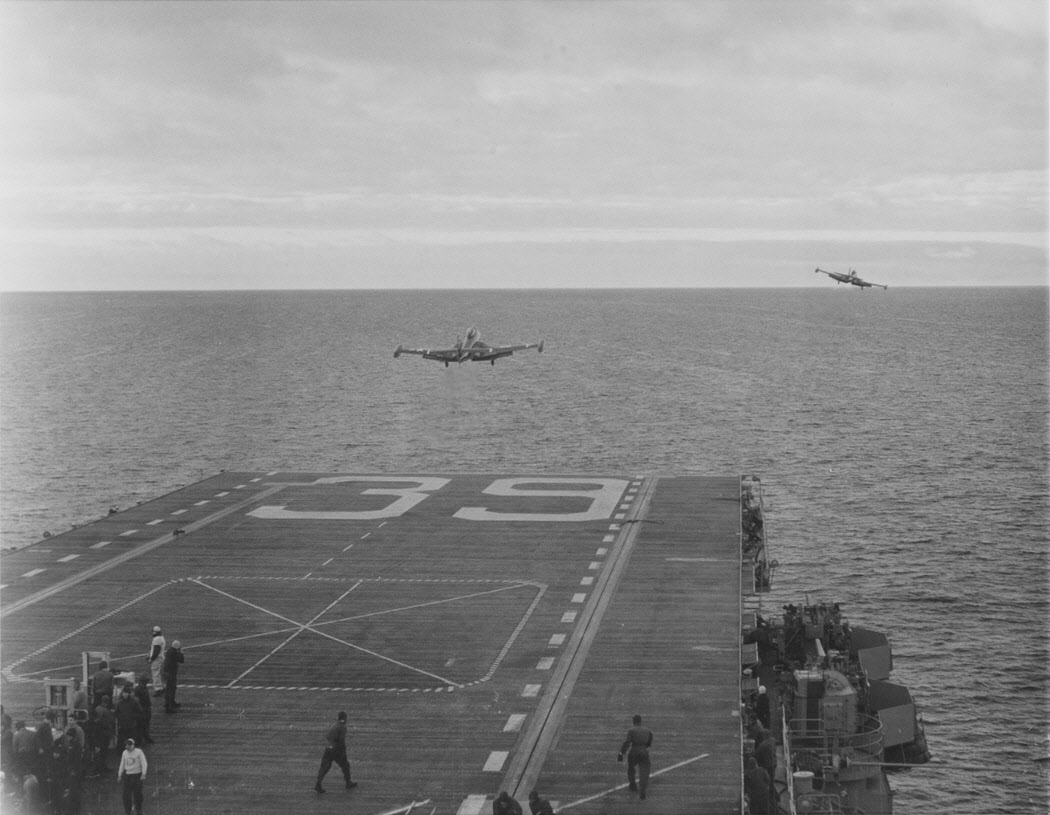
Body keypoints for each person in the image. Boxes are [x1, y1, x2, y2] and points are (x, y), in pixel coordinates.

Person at [314, 711, 356, 793]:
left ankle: (318, 784)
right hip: (337, 750)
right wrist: (343, 751)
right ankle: (348, 782)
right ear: (344, 719)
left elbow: (327, 736)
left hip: (329, 748)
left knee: (325, 767)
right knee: (345, 765)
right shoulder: (342, 727)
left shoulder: (334, 725)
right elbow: (341, 741)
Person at [618, 714, 653, 800]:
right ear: (640, 721)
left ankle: (633, 784)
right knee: (644, 772)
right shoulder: (648, 730)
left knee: (631, 768)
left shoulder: (631, 730)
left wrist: (621, 753)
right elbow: (649, 741)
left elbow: (627, 742)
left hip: (634, 750)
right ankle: (642, 790)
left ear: (633, 721)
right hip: (644, 751)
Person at [117, 738, 148, 815]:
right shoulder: (124, 753)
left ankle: (138, 809)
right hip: (128, 776)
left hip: (137, 776)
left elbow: (144, 763)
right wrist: (119, 775)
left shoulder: (139, 752)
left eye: (129, 745)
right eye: (126, 745)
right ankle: (128, 811)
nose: (127, 746)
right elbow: (122, 764)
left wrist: (143, 774)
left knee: (138, 795)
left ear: (133, 745)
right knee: (126, 795)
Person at [162, 640, 184, 714]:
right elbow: (181, 660)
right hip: (171, 673)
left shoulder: (169, 651)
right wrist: (181, 653)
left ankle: (170, 703)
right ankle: (169, 707)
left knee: (170, 689)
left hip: (168, 672)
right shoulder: (174, 652)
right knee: (170, 689)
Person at [133, 675, 154, 744]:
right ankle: (139, 740)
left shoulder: (144, 688)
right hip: (143, 709)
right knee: (141, 725)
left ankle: (146, 737)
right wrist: (140, 709)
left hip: (147, 708)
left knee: (146, 724)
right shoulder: (138, 689)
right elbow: (137, 700)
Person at [147, 626, 166, 696]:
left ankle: (158, 689)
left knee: (155, 674)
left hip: (157, 658)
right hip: (159, 657)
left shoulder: (157, 639)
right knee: (158, 673)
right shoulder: (161, 638)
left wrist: (151, 659)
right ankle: (161, 686)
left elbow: (156, 650)